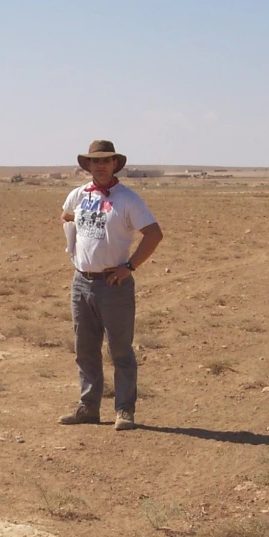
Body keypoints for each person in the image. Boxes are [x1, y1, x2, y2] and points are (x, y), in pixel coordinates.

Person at [59, 140, 163, 430]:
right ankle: (88, 407)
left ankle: (124, 410)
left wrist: (129, 267)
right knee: (85, 349)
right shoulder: (78, 196)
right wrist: (72, 237)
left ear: (115, 163)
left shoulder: (128, 199)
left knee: (120, 351)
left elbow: (154, 234)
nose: (101, 166)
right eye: (95, 161)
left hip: (113, 284)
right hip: (81, 282)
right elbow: (65, 215)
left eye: (106, 160)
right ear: (88, 166)